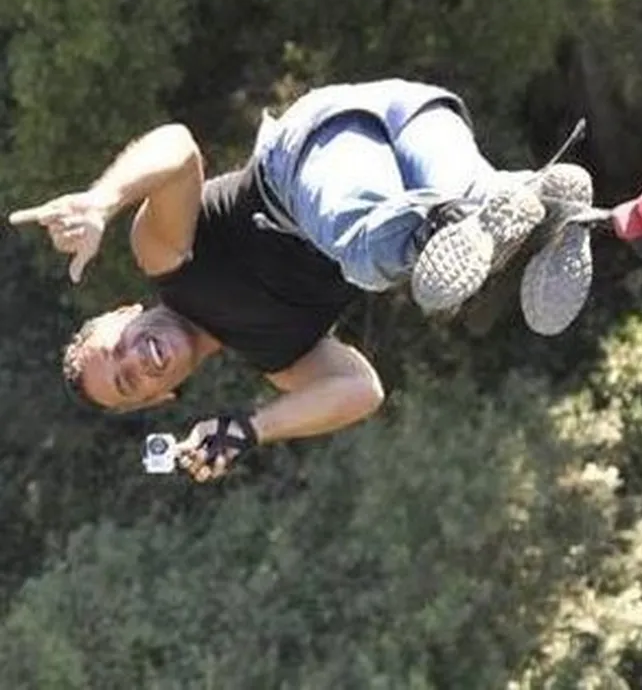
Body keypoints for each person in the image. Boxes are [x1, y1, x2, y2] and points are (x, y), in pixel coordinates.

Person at [9, 78, 596, 483]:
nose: (136, 362)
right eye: (131, 383)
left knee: (365, 253)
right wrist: (249, 429)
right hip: (414, 123)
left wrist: (102, 200)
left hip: (313, 149)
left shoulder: (167, 257)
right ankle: (545, 210)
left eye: (116, 352)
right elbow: (360, 391)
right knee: (484, 209)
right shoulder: (280, 355)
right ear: (162, 398)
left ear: (121, 315)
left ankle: (447, 241)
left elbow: (179, 147)